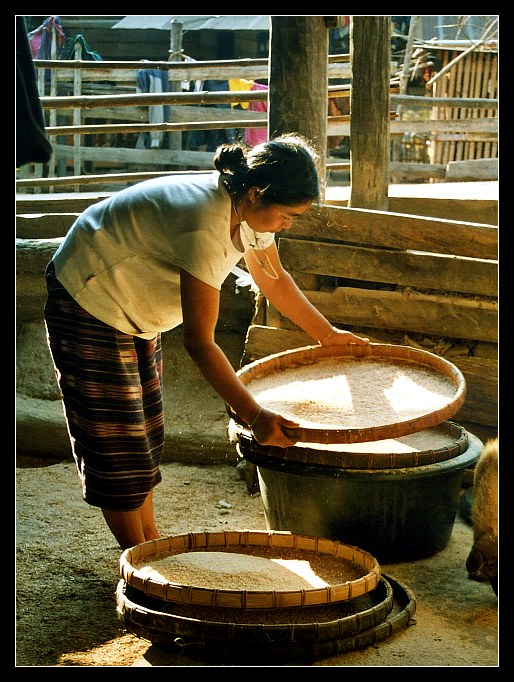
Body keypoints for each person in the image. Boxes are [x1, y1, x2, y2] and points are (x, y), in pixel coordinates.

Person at [44, 133, 369, 550]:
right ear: (256, 194)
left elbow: (273, 278)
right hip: (89, 296)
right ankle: (142, 559)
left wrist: (328, 335)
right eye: (288, 214)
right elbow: (200, 342)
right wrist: (254, 415)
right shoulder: (206, 223)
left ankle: (150, 544)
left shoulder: (248, 212)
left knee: (143, 432)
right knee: (117, 441)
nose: (289, 223)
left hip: (134, 307)